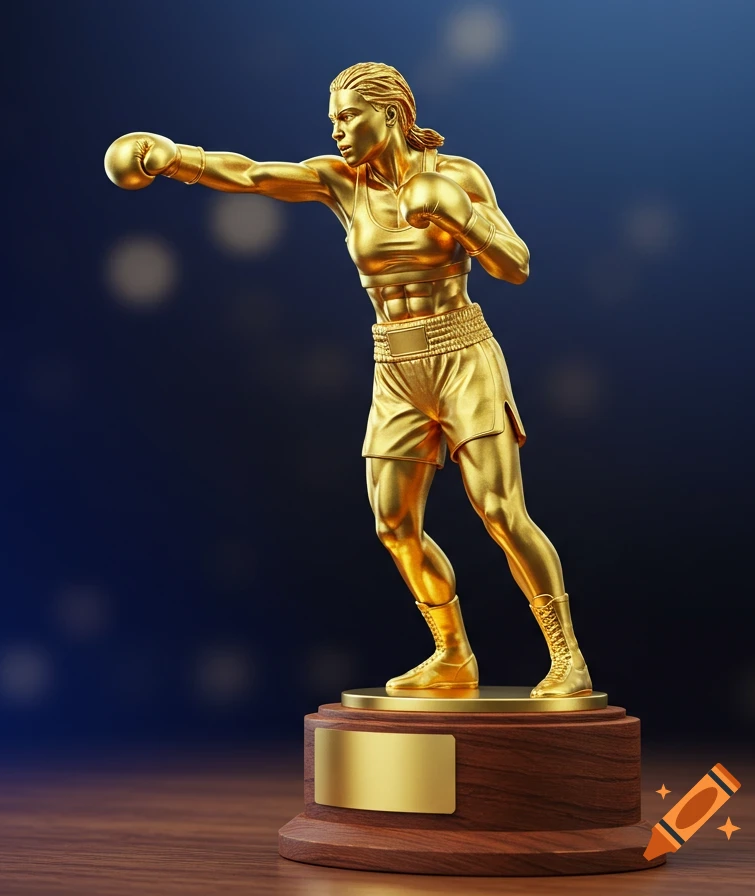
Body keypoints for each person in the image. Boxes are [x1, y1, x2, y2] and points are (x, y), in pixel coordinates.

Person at [103, 61, 590, 698]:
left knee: (499, 509)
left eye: (347, 116)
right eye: (332, 118)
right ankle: (452, 655)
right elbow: (253, 174)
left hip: (462, 353)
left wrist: (460, 221)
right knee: (393, 524)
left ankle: (567, 657)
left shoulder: (457, 176)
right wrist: (175, 159)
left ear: (389, 115)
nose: (336, 130)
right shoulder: (341, 184)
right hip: (395, 364)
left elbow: (517, 266)